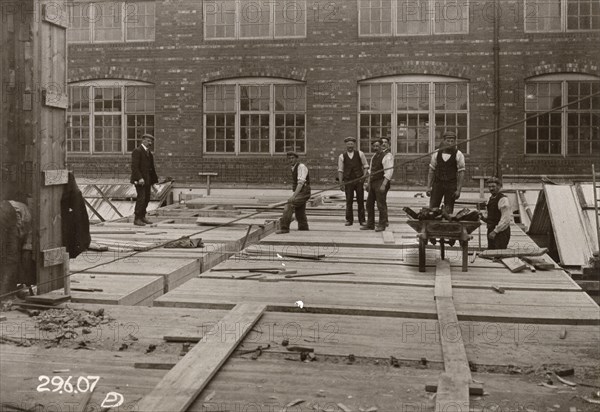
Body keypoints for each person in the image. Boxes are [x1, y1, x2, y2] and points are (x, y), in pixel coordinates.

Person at [426, 130, 465, 215]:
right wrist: (429, 187)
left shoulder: (459, 154)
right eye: (448, 140)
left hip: (451, 185)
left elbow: (461, 173)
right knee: (433, 209)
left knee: (448, 210)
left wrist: (458, 190)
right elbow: (431, 171)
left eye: (452, 141)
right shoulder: (436, 153)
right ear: (443, 141)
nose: (450, 143)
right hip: (437, 184)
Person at [361, 137, 394, 232]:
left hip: (381, 181)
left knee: (381, 204)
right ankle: (370, 224)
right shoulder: (374, 157)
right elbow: (371, 171)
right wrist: (368, 183)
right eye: (374, 146)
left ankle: (382, 224)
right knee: (369, 204)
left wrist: (383, 185)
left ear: (381, 146)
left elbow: (389, 172)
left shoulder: (387, 156)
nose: (376, 147)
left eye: (377, 146)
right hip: (373, 182)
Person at [276, 151, 311, 234]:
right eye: (289, 158)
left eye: (293, 158)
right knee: (300, 210)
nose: (291, 160)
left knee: (289, 204)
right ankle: (303, 227)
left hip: (304, 192)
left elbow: (301, 183)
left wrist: (294, 196)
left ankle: (284, 228)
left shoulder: (301, 167)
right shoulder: (293, 167)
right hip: (300, 192)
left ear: (296, 159)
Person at [338, 136, 369, 226]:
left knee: (360, 201)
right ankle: (349, 220)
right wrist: (341, 183)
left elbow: (366, 166)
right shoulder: (342, 156)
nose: (350, 146)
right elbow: (340, 170)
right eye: (348, 144)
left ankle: (362, 220)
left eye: (351, 144)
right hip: (348, 181)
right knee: (349, 201)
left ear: (354, 145)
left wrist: (363, 177)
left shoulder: (360, 154)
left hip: (359, 181)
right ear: (346, 145)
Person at [130, 134, 159, 226]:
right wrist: (139, 178)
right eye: (148, 141)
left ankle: (142, 216)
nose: (150, 143)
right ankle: (137, 218)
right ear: (143, 141)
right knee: (141, 198)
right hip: (140, 181)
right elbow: (134, 167)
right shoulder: (137, 151)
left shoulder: (149, 153)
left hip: (147, 180)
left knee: (146, 198)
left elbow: (152, 168)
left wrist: (154, 182)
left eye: (151, 142)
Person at [480, 177, 512, 249]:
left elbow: (506, 220)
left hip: (501, 232)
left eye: (493, 186)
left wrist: (495, 231)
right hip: (491, 230)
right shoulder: (490, 199)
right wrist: (482, 218)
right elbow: (491, 217)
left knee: (499, 255)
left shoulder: (503, 200)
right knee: (491, 254)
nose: (491, 189)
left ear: (499, 186)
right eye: (489, 187)